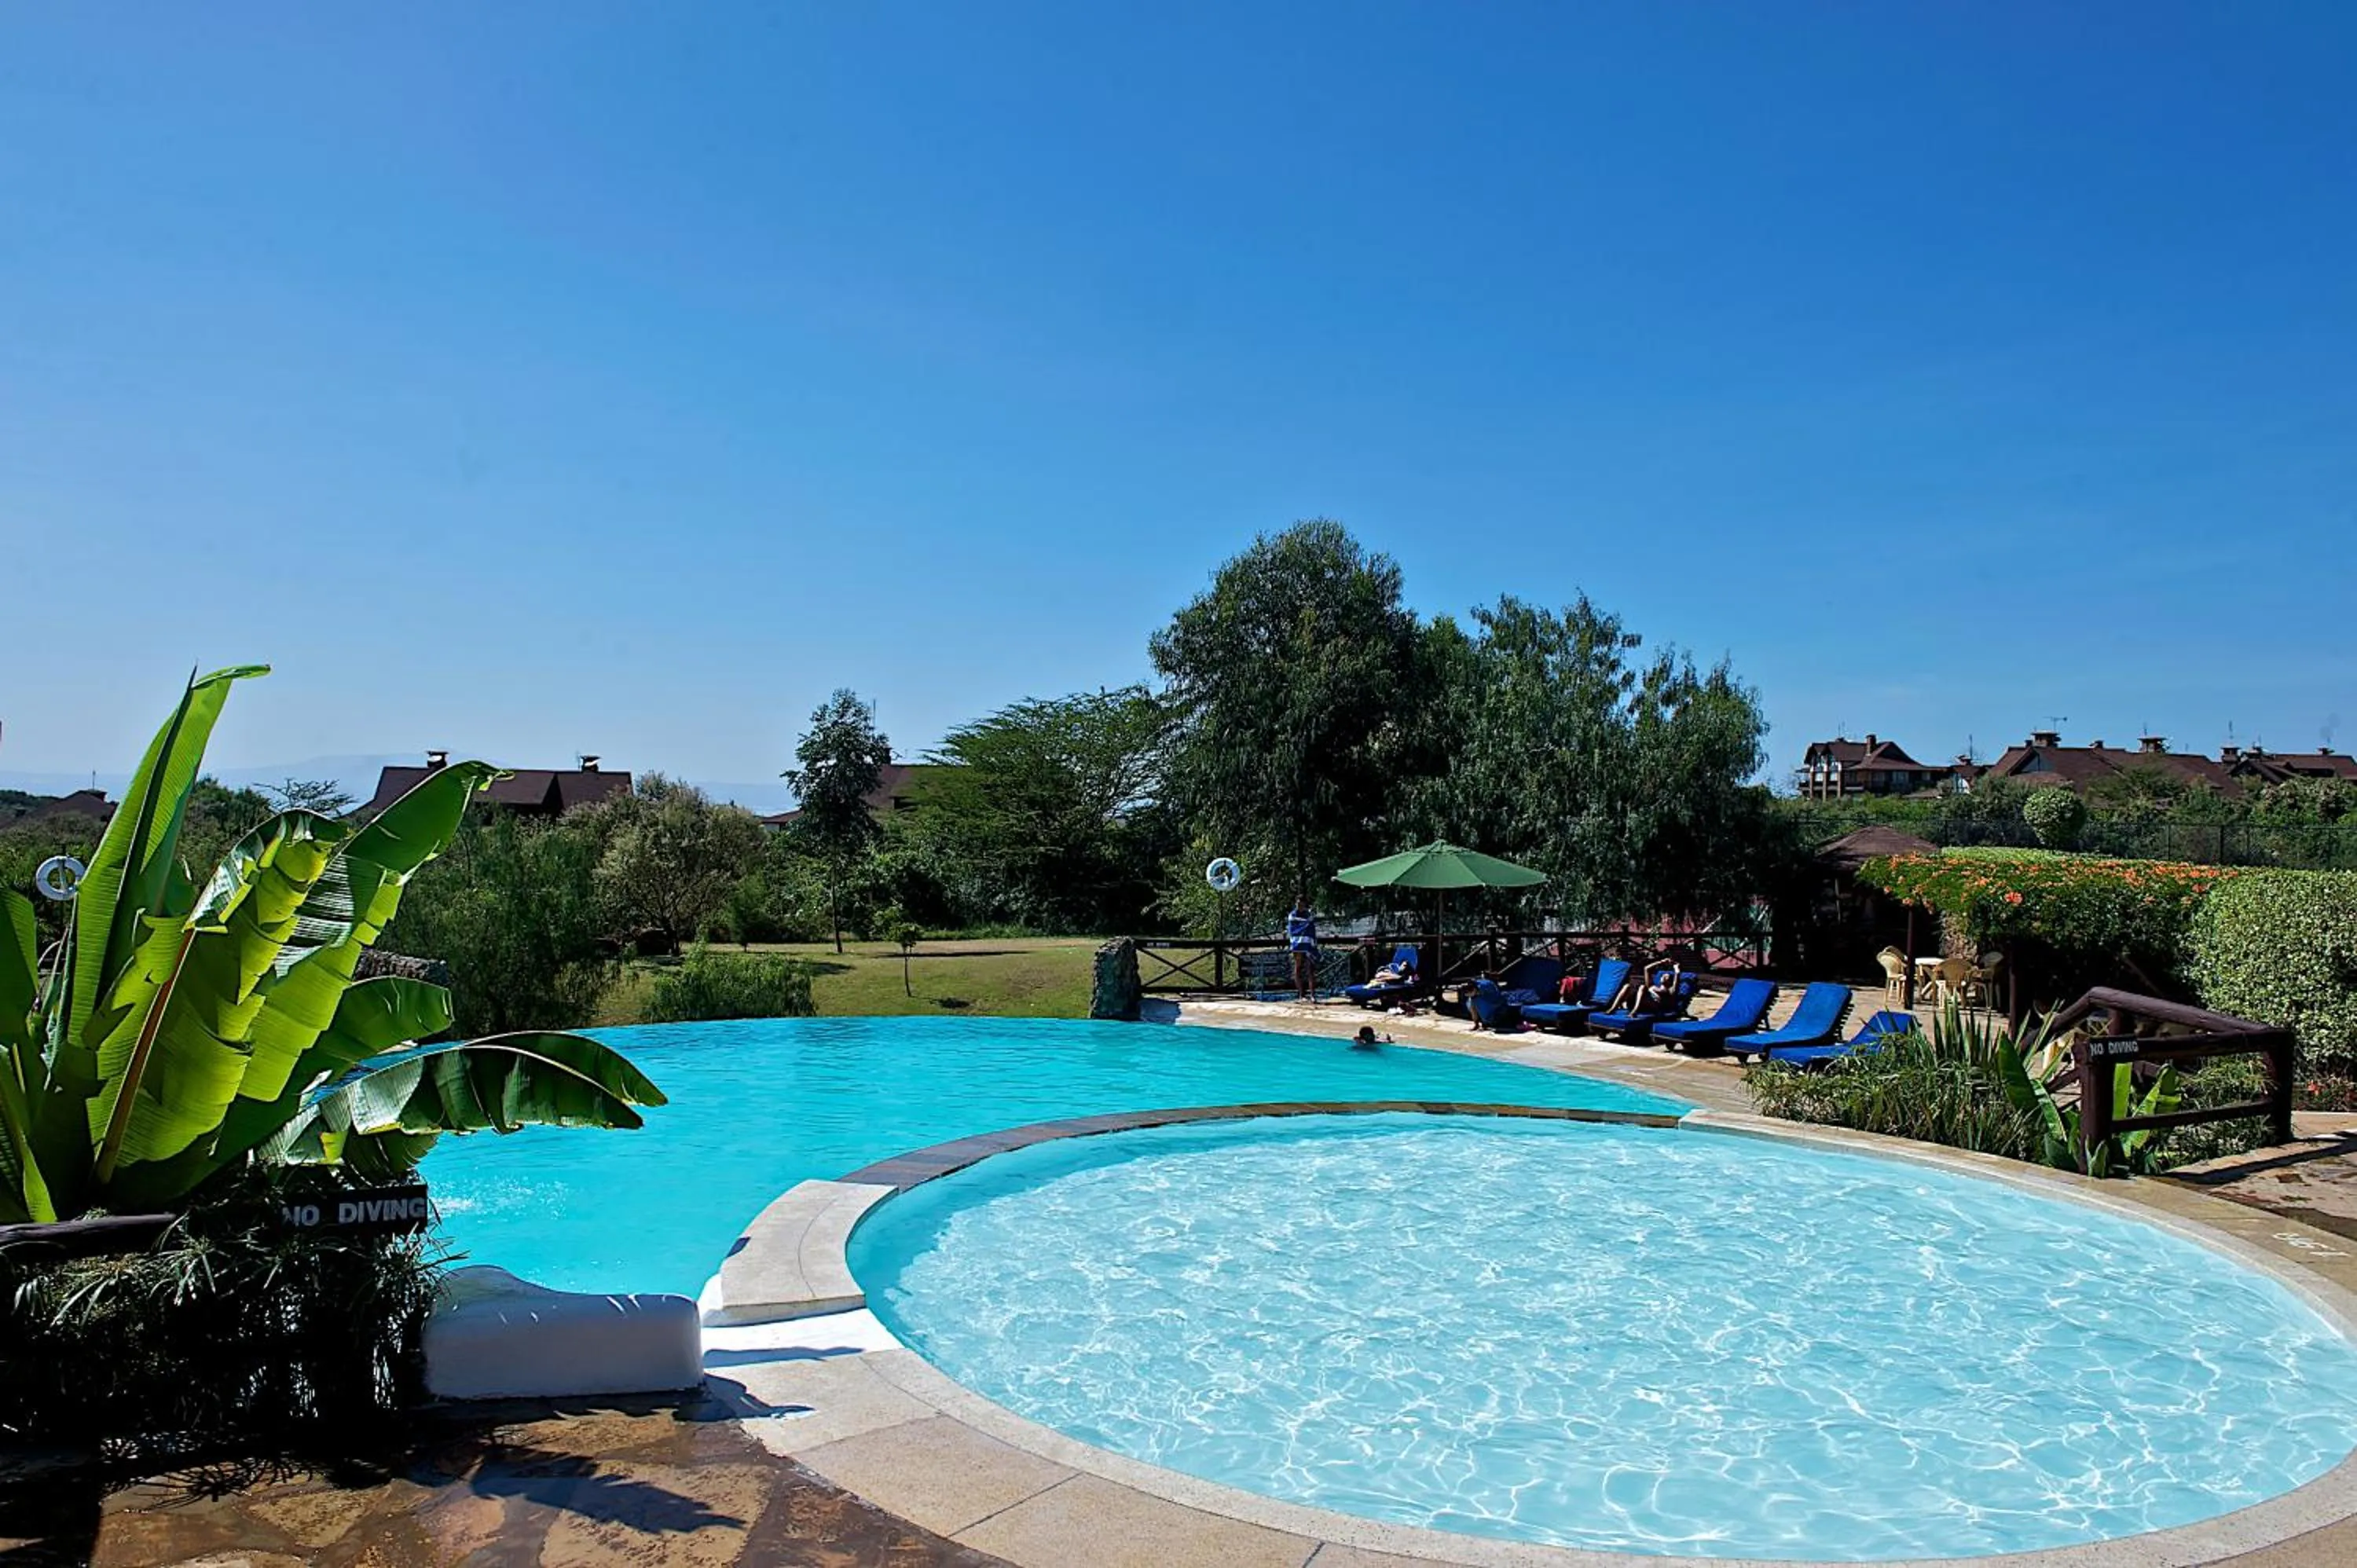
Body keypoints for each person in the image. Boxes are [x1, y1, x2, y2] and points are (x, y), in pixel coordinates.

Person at [1606, 956, 1684, 1016]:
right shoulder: (1652, 986)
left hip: (1650, 1007)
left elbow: (1676, 978)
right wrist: (1661, 962)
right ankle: (1613, 1008)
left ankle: (1635, 1010)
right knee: (1627, 986)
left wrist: (1676, 968)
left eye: (1667, 976)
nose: (1664, 976)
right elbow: (1646, 969)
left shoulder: (1670, 990)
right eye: (1663, 975)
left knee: (1642, 987)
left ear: (1670, 982)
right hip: (1635, 1003)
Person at [1286, 897, 1319, 1001]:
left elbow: (1311, 927)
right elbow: (1293, 928)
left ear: (1305, 905)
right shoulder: (1292, 915)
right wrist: (1305, 924)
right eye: (1298, 904)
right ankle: (1301, 995)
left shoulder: (1309, 915)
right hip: (1297, 944)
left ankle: (1313, 995)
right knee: (1298, 968)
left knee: (1310, 969)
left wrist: (1308, 924)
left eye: (1301, 904)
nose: (1299, 906)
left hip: (1308, 944)